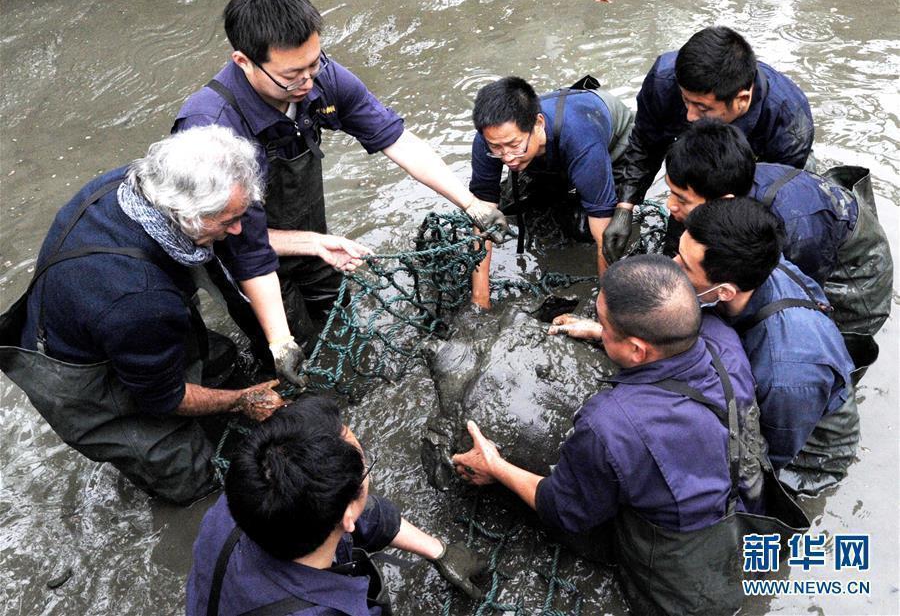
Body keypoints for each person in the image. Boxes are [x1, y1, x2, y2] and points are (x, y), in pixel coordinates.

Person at [174, 0, 513, 380]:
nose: (308, 82)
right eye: (292, 74)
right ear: (244, 62)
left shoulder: (319, 79)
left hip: (309, 236)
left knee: (340, 317)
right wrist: (281, 342)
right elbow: (235, 240)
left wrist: (471, 203)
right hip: (239, 252)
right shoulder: (210, 127)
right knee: (294, 349)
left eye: (314, 64)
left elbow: (397, 139)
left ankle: (353, 379)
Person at [454, 255, 779, 615]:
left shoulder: (610, 424)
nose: (601, 328)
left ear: (638, 348)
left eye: (606, 326)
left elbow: (565, 510)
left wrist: (495, 466)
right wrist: (603, 334)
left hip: (685, 584)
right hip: (749, 521)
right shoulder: (724, 339)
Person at [0, 126, 288, 505]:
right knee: (191, 478)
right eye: (226, 222)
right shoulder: (139, 300)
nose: (238, 229)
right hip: (80, 379)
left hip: (103, 316)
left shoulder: (132, 182)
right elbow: (163, 399)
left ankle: (193, 382)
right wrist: (240, 401)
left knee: (219, 359)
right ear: (184, 215)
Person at [187, 396, 488, 615]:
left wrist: (439, 551)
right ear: (345, 516)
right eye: (364, 467)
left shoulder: (242, 498)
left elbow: (360, 511)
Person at [662, 119, 892, 370]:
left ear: (723, 201)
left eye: (682, 199)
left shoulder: (792, 231)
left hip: (853, 267)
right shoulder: (720, 180)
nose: (669, 205)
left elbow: (802, 298)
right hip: (815, 218)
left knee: (818, 350)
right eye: (670, 192)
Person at [675, 198, 857, 495]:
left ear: (724, 291)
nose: (673, 267)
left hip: (810, 448)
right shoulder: (755, 262)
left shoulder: (787, 374)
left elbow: (765, 455)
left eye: (684, 265)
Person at [603, 25, 814, 264]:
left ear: (741, 100)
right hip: (696, 162)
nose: (690, 116)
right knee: (676, 250)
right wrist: (625, 206)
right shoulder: (665, 80)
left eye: (703, 108)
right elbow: (645, 143)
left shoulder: (787, 120)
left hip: (760, 166)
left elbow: (764, 201)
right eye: (685, 101)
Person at [468, 76, 634, 308]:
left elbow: (604, 235)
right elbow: (483, 216)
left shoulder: (582, 139)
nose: (506, 157)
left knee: (583, 228)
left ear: (537, 124)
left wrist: (604, 307)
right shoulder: (489, 140)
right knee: (513, 209)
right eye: (497, 148)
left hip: (611, 143)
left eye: (514, 145)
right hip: (547, 151)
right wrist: (480, 300)